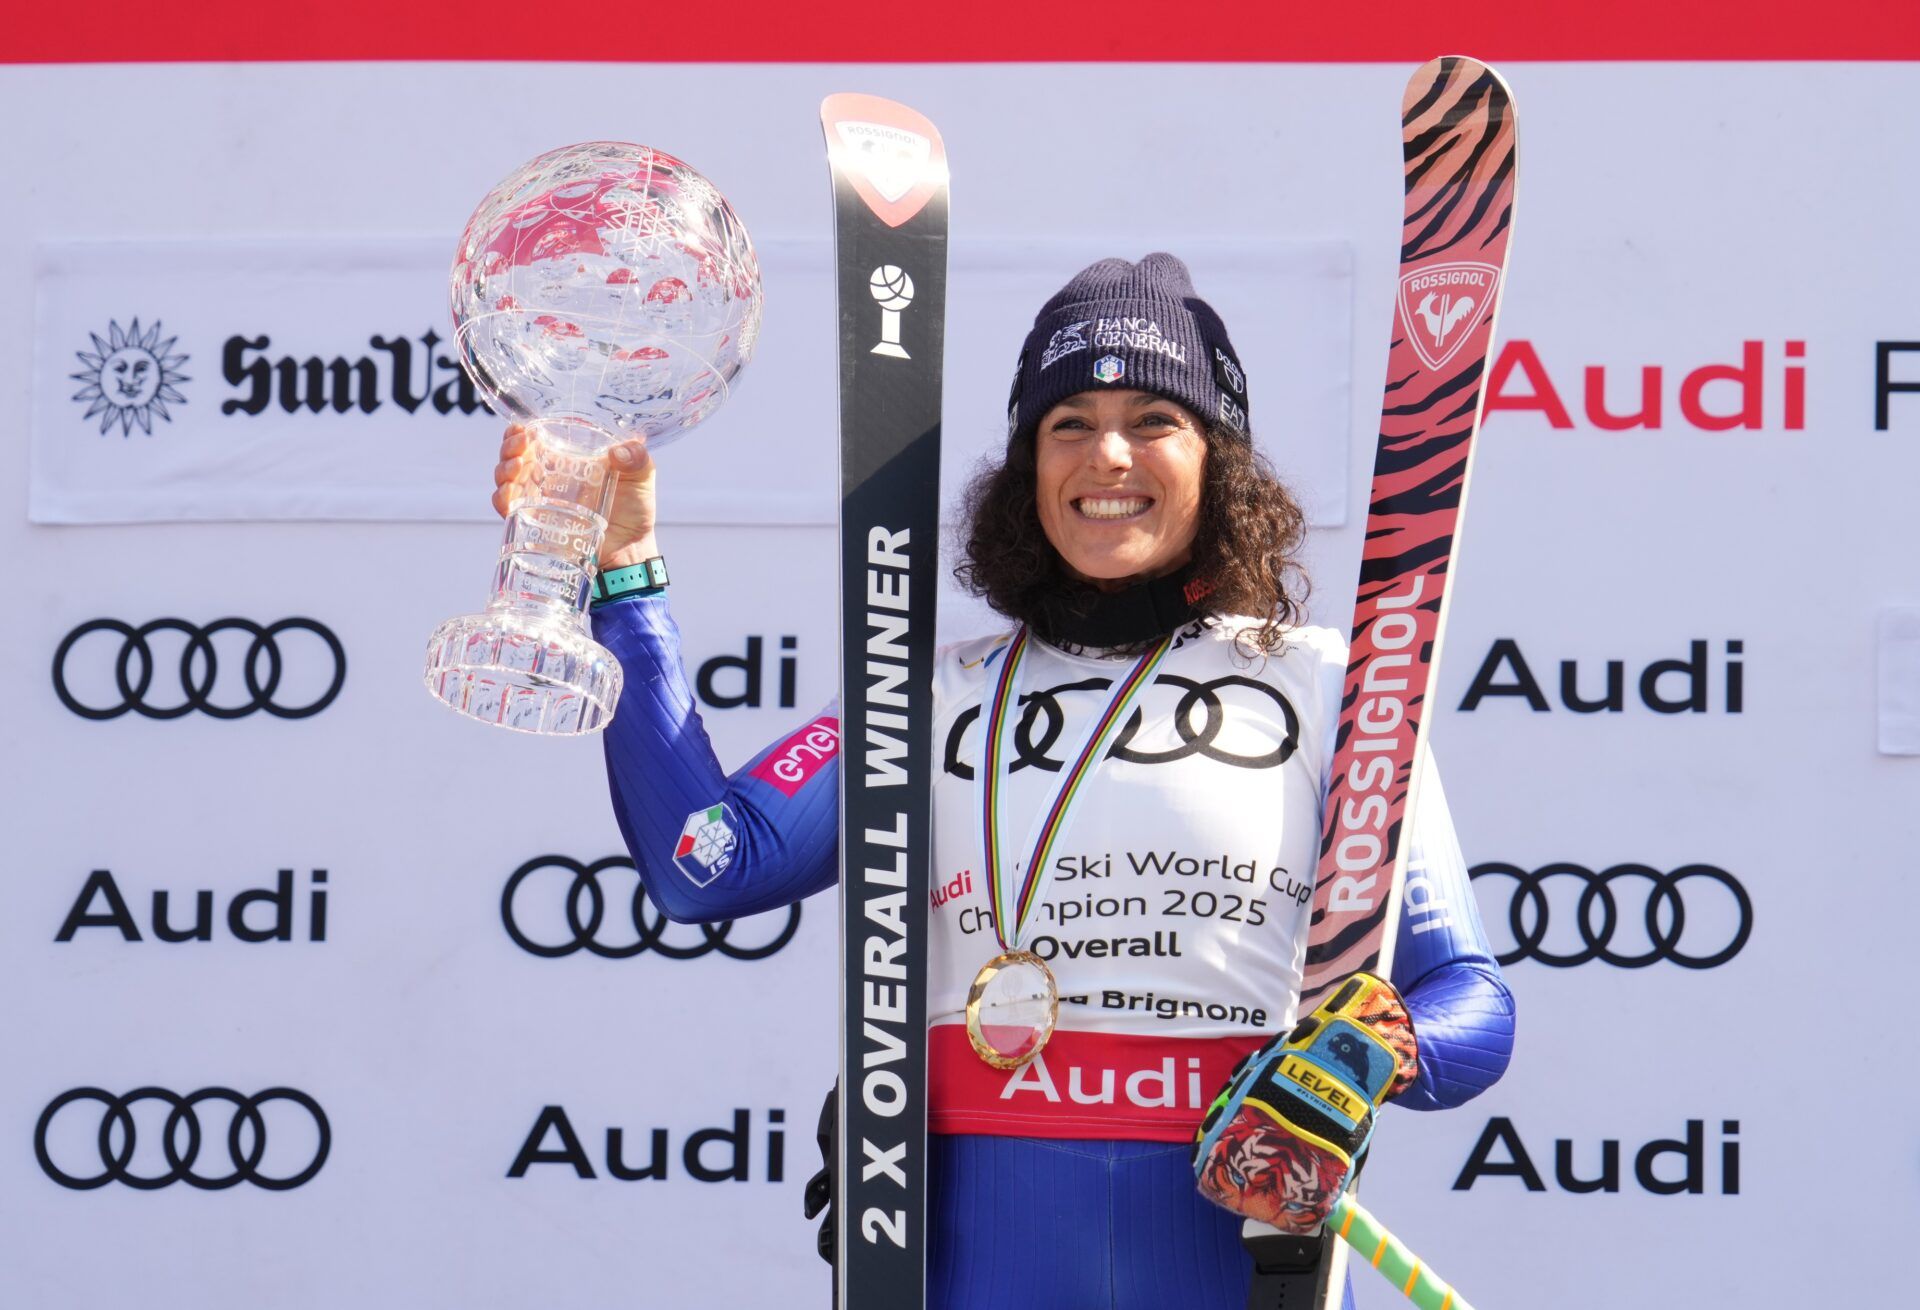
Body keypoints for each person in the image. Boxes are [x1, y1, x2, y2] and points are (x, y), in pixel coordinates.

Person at [491, 254, 1515, 1310]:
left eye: (1156, 417)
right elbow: (702, 859)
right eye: (1067, 420)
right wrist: (624, 570)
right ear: (1028, 466)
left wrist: (1364, 1052)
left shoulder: (1331, 681)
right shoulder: (925, 693)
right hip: (983, 1256)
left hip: (1235, 1254)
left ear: (1219, 463)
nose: (1107, 451)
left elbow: (1472, 1004)